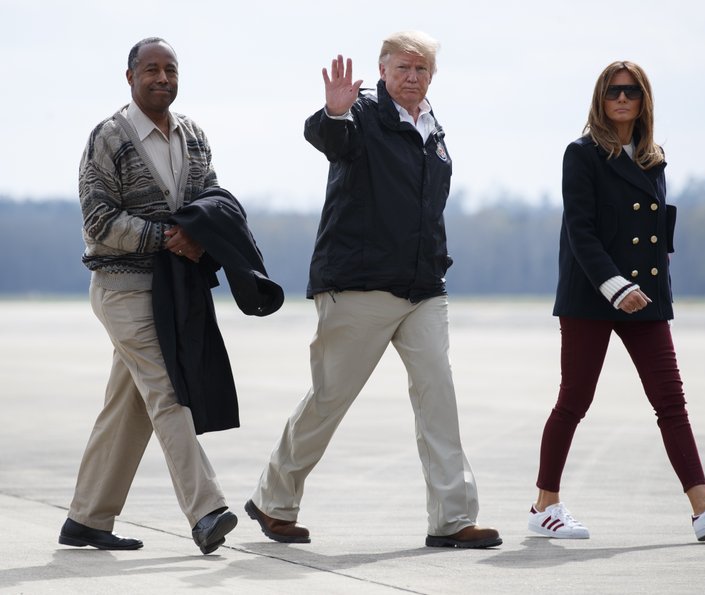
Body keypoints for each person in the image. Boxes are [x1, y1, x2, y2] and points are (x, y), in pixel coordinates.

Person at [245, 31, 501, 549]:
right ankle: (274, 499)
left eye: (422, 69)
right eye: (403, 67)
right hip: (359, 286)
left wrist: (436, 263)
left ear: (432, 76)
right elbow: (328, 139)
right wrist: (334, 113)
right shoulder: (359, 116)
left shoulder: (433, 128)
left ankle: (452, 519)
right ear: (382, 70)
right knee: (329, 398)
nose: (412, 76)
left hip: (423, 288)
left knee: (439, 399)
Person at [527, 61, 705, 542]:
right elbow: (581, 231)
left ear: (643, 100)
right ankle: (544, 506)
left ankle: (703, 509)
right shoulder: (581, 154)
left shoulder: (653, 159)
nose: (622, 99)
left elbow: (655, 237)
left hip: (646, 299)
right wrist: (616, 286)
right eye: (613, 91)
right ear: (600, 98)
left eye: (631, 92)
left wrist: (652, 293)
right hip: (593, 295)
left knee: (671, 401)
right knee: (574, 400)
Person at [58, 37, 238, 554]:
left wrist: (200, 234)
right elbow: (98, 221)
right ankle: (206, 511)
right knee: (167, 390)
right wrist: (166, 237)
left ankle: (86, 519)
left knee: (130, 403)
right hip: (123, 286)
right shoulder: (109, 138)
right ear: (130, 76)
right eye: (151, 69)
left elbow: (211, 199)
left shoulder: (195, 137)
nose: (162, 78)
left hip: (174, 288)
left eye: (171, 70)